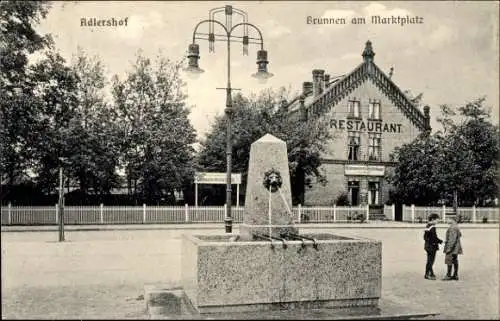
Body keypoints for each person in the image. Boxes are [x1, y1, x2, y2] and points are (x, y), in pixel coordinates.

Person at [442, 215, 463, 281]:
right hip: (456, 247)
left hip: (452, 248)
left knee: (449, 260)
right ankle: (455, 275)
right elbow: (460, 234)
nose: (446, 220)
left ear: (451, 219)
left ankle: (448, 275)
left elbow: (452, 239)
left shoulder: (452, 227)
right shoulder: (456, 226)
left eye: (447, 219)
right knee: (455, 260)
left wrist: (449, 248)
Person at [423, 213, 443, 280]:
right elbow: (434, 237)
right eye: (437, 220)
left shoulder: (427, 226)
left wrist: (427, 241)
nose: (437, 222)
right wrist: (440, 241)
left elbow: (425, 237)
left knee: (429, 260)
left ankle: (430, 273)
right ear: (433, 219)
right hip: (432, 246)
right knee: (431, 261)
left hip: (427, 246)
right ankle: (428, 274)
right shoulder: (432, 227)